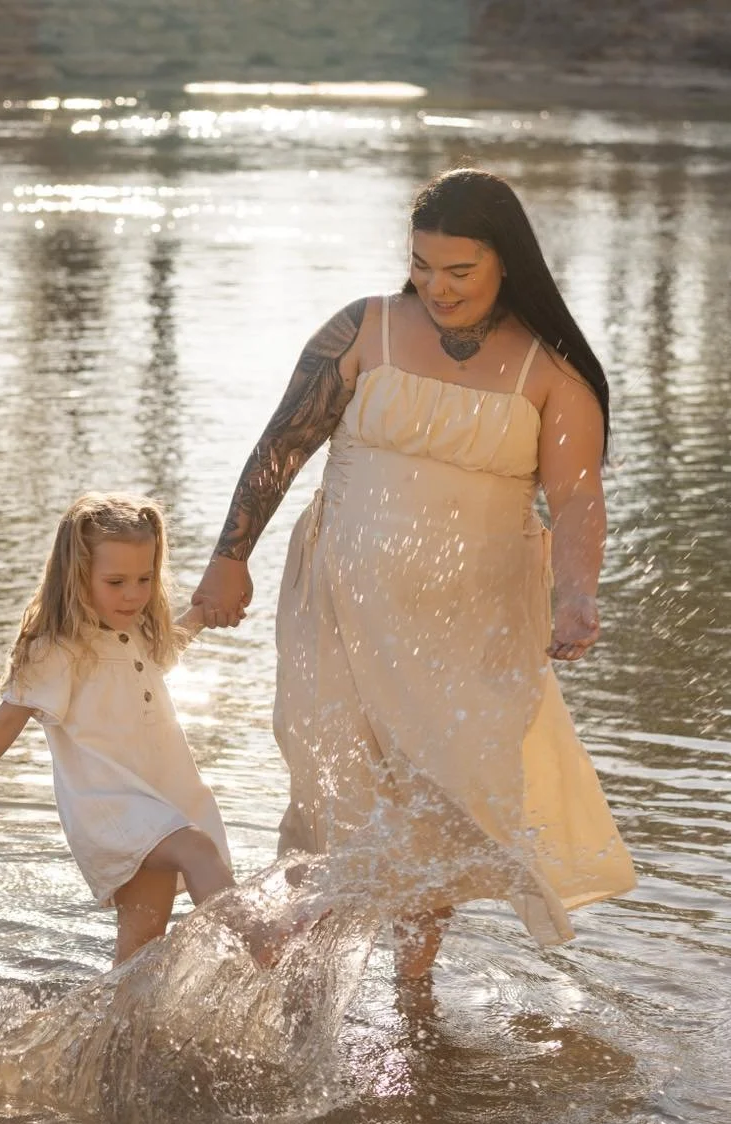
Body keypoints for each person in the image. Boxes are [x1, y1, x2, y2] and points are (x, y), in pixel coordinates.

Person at [191, 167, 637, 980]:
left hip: (473, 626)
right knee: (337, 790)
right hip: (341, 604)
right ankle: (300, 971)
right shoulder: (364, 328)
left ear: (507, 261)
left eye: (460, 270)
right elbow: (282, 445)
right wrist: (230, 558)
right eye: (422, 265)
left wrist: (576, 594)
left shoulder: (552, 369)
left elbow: (576, 498)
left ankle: (410, 986)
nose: (438, 287)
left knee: (441, 801)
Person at [0, 493, 251, 967]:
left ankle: (116, 1015)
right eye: (116, 582)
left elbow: (166, 650)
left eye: (144, 579)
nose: (133, 595)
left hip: (159, 798)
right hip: (110, 805)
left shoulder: (137, 631)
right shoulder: (58, 649)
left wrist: (203, 615)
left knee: (139, 950)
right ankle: (257, 940)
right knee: (199, 849)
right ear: (76, 576)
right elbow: (6, 720)